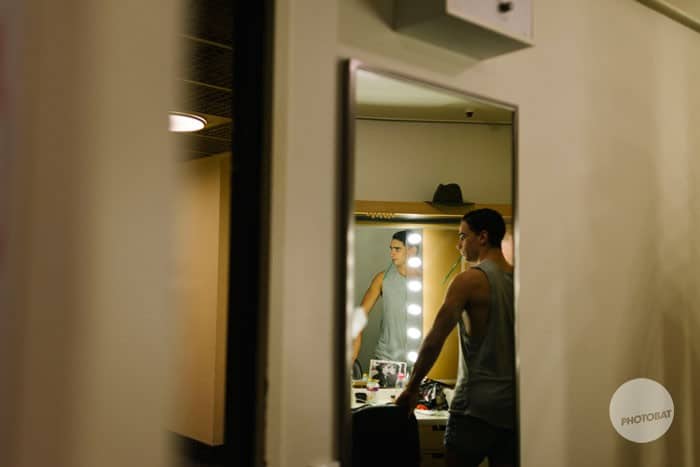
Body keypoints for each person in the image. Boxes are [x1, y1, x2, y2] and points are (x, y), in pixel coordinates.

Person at [396, 209, 516, 467]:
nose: (458, 244)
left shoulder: (469, 281)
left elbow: (435, 339)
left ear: (482, 237)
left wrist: (412, 387)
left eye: (463, 236)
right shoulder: (520, 282)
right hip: (512, 409)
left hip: (473, 408)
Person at [352, 230, 417, 364]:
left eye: (397, 249)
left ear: (412, 251)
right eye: (391, 249)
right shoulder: (382, 279)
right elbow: (359, 315)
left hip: (418, 359)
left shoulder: (427, 280)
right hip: (386, 358)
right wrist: (353, 352)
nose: (392, 253)